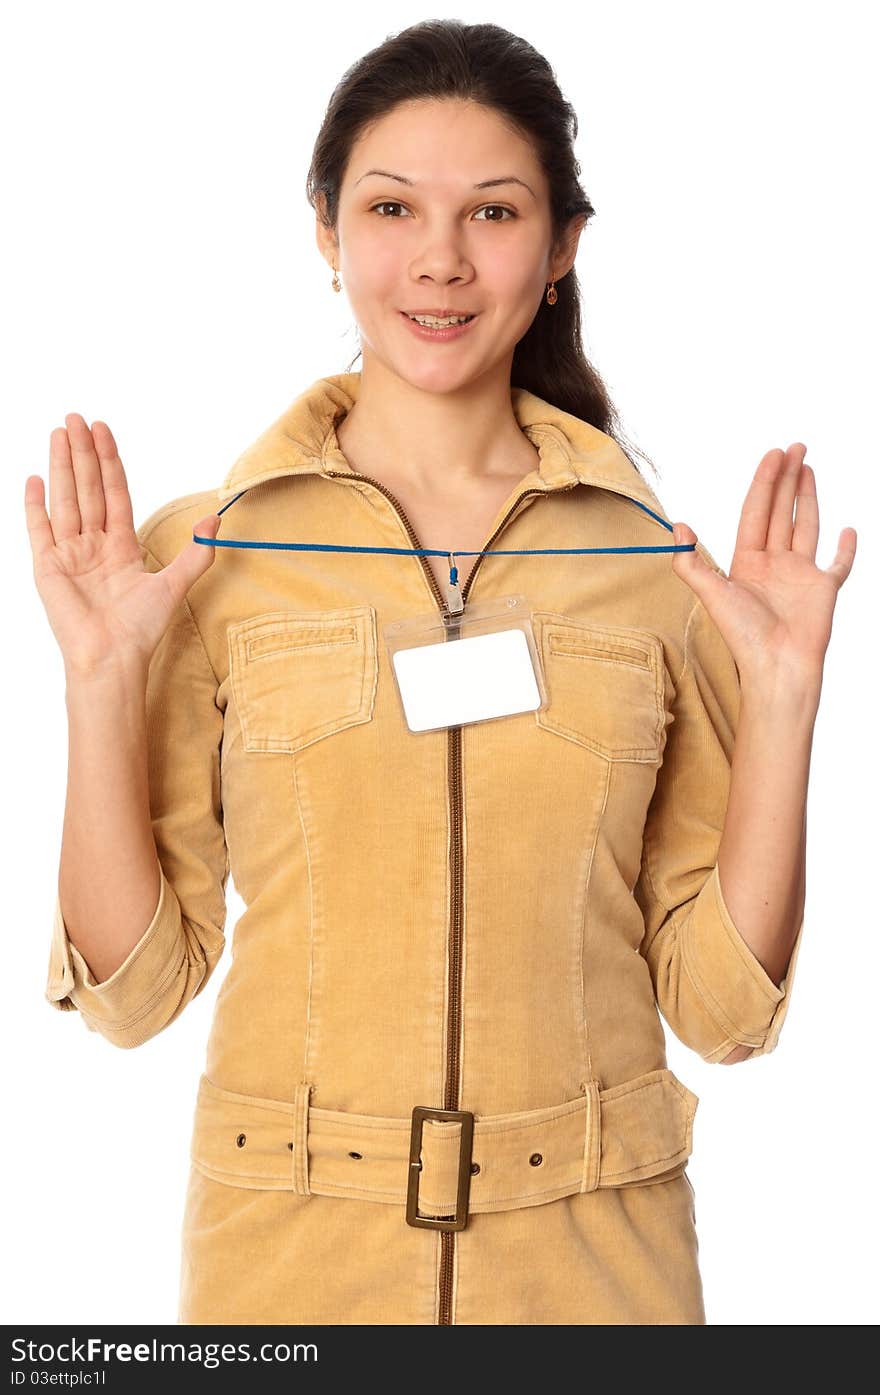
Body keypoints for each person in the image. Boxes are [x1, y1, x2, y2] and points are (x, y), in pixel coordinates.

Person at [28, 20, 855, 1326]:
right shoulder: (203, 558)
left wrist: (792, 699)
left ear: (564, 244)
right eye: (393, 206)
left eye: (496, 212)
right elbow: (134, 998)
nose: (441, 260)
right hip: (289, 1270)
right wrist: (94, 683)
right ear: (325, 230)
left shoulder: (657, 568)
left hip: (600, 1268)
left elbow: (723, 1014)